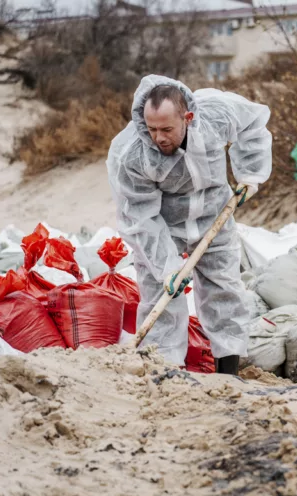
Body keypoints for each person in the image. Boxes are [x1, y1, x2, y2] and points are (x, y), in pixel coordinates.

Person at [107, 75, 272, 375]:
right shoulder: (133, 155)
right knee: (161, 294)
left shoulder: (216, 117)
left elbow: (253, 121)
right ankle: (166, 371)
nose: (158, 137)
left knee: (224, 289)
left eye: (167, 129)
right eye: (152, 128)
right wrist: (167, 266)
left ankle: (228, 370)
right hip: (163, 229)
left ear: (188, 118)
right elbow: (139, 217)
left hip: (214, 216)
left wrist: (250, 174)